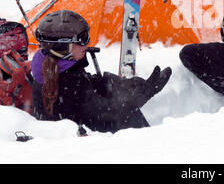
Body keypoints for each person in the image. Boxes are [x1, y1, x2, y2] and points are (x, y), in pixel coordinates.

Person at [31, 10, 172, 133]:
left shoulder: (55, 67)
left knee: (126, 109)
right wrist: (142, 94)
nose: (87, 44)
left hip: (83, 125)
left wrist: (130, 85)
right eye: (82, 39)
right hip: (80, 144)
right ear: (63, 47)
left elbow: (93, 85)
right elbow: (108, 112)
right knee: (129, 115)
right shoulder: (68, 83)